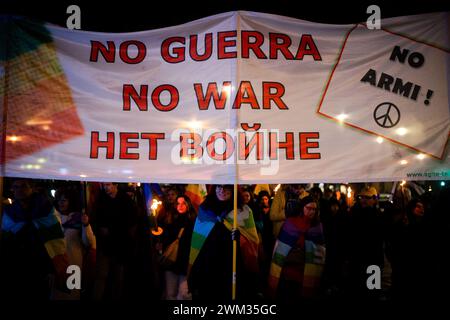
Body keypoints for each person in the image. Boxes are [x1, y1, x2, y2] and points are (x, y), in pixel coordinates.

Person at [188, 185, 260, 301]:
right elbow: (198, 238)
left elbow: (252, 241)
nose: (222, 190)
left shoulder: (244, 211)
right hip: (207, 265)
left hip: (232, 264)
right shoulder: (205, 209)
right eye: (218, 186)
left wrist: (240, 237)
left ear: (233, 189)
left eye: (226, 187)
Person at [0, 179, 69, 300]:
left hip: (39, 268)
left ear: (32, 188)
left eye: (23, 186)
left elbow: (56, 241)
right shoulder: (10, 212)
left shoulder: (46, 209)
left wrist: (51, 268)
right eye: (16, 187)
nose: (19, 190)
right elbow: (6, 241)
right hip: (15, 266)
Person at [268, 196, 326, 301]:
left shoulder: (317, 227)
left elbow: (320, 251)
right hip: (288, 270)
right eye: (308, 208)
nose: (311, 211)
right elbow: (280, 247)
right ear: (302, 208)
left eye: (314, 209)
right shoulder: (290, 224)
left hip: (306, 271)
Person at [91, 182, 139, 300]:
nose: (106, 188)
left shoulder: (126, 200)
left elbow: (132, 221)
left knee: (118, 277)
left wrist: (115, 229)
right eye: (104, 185)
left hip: (120, 244)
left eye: (108, 185)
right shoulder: (101, 199)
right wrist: (100, 229)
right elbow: (95, 218)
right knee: (101, 275)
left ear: (115, 185)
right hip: (105, 244)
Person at [52, 187, 96, 299]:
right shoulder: (53, 218)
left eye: (64, 200)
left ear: (70, 201)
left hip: (73, 263)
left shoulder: (78, 218)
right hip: (58, 262)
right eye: (59, 200)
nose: (60, 203)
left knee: (72, 294)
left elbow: (88, 242)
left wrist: (86, 225)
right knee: (57, 293)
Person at [159, 195, 195, 300]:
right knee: (170, 294)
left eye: (183, 203)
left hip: (185, 262)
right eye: (178, 203)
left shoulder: (193, 222)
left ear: (188, 205)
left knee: (184, 294)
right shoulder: (169, 220)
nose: (180, 206)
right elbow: (165, 239)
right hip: (172, 262)